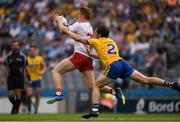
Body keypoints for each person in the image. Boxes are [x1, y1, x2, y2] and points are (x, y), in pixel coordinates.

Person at [52, 16, 180, 119]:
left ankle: (95, 109)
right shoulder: (112, 41)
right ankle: (170, 84)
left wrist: (67, 30)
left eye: (96, 31)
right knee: (145, 79)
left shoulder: (96, 41)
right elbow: (106, 53)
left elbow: (78, 38)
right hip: (122, 63)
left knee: (95, 86)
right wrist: (93, 55)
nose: (94, 33)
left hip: (113, 66)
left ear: (99, 33)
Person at [47, 7, 120, 104]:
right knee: (92, 86)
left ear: (83, 15)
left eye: (79, 14)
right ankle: (114, 92)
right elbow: (70, 30)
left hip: (80, 55)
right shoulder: (89, 26)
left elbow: (62, 31)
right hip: (88, 58)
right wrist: (62, 23)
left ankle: (59, 94)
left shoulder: (79, 25)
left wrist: (59, 20)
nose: (77, 15)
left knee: (56, 71)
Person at [2, 40, 30, 115]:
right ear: (11, 47)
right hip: (10, 77)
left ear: (18, 46)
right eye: (13, 45)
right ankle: (15, 106)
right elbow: (4, 67)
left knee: (18, 94)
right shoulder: (8, 57)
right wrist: (3, 78)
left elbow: (25, 68)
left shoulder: (23, 57)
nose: (15, 46)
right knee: (10, 94)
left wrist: (28, 78)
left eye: (16, 45)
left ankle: (16, 110)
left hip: (19, 77)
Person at [26, 44, 47, 114]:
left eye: (33, 50)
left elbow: (44, 67)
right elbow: (24, 69)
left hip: (38, 78)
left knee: (37, 96)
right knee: (29, 94)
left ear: (35, 51)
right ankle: (29, 107)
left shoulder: (39, 58)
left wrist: (42, 71)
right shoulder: (27, 59)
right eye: (30, 51)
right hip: (30, 79)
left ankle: (36, 111)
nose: (32, 52)